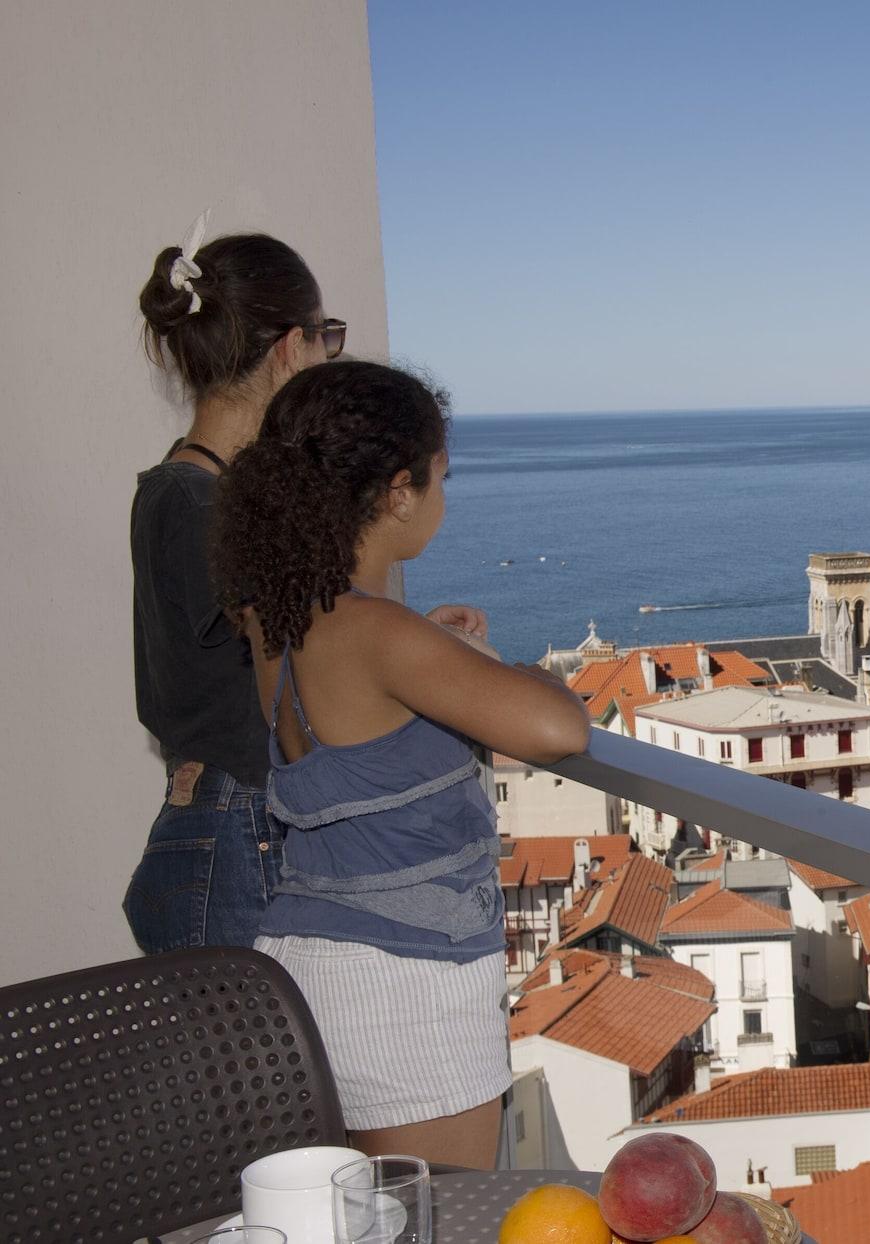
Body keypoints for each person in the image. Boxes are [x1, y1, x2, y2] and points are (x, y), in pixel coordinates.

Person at [212, 359, 590, 1167]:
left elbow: (363, 714)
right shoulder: (380, 634)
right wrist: (497, 664)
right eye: (438, 478)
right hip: (405, 983)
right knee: (436, 1218)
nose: (443, 499)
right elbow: (559, 728)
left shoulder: (276, 616)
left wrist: (436, 646)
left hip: (311, 959)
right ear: (396, 491)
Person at [127, 217, 483, 954]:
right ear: (293, 347)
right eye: (327, 338)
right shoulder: (196, 504)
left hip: (241, 826)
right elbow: (293, 653)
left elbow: (286, 650)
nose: (328, 355)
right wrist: (397, 650)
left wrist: (412, 645)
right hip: (242, 827)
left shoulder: (196, 494)